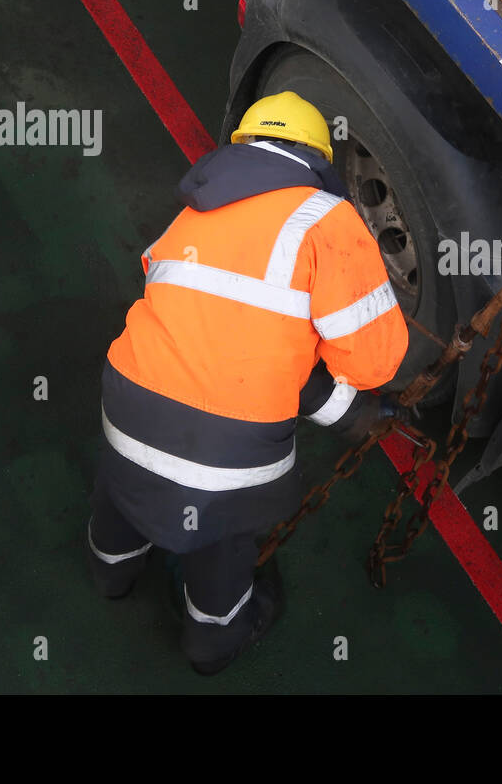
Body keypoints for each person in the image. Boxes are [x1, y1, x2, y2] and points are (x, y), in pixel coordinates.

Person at [84, 91, 409, 675]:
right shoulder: (325, 219)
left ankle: (111, 573)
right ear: (318, 159)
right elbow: (373, 363)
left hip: (125, 410)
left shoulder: (193, 211)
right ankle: (210, 640)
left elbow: (191, 311)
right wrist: (354, 404)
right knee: (222, 536)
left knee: (123, 490)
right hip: (223, 463)